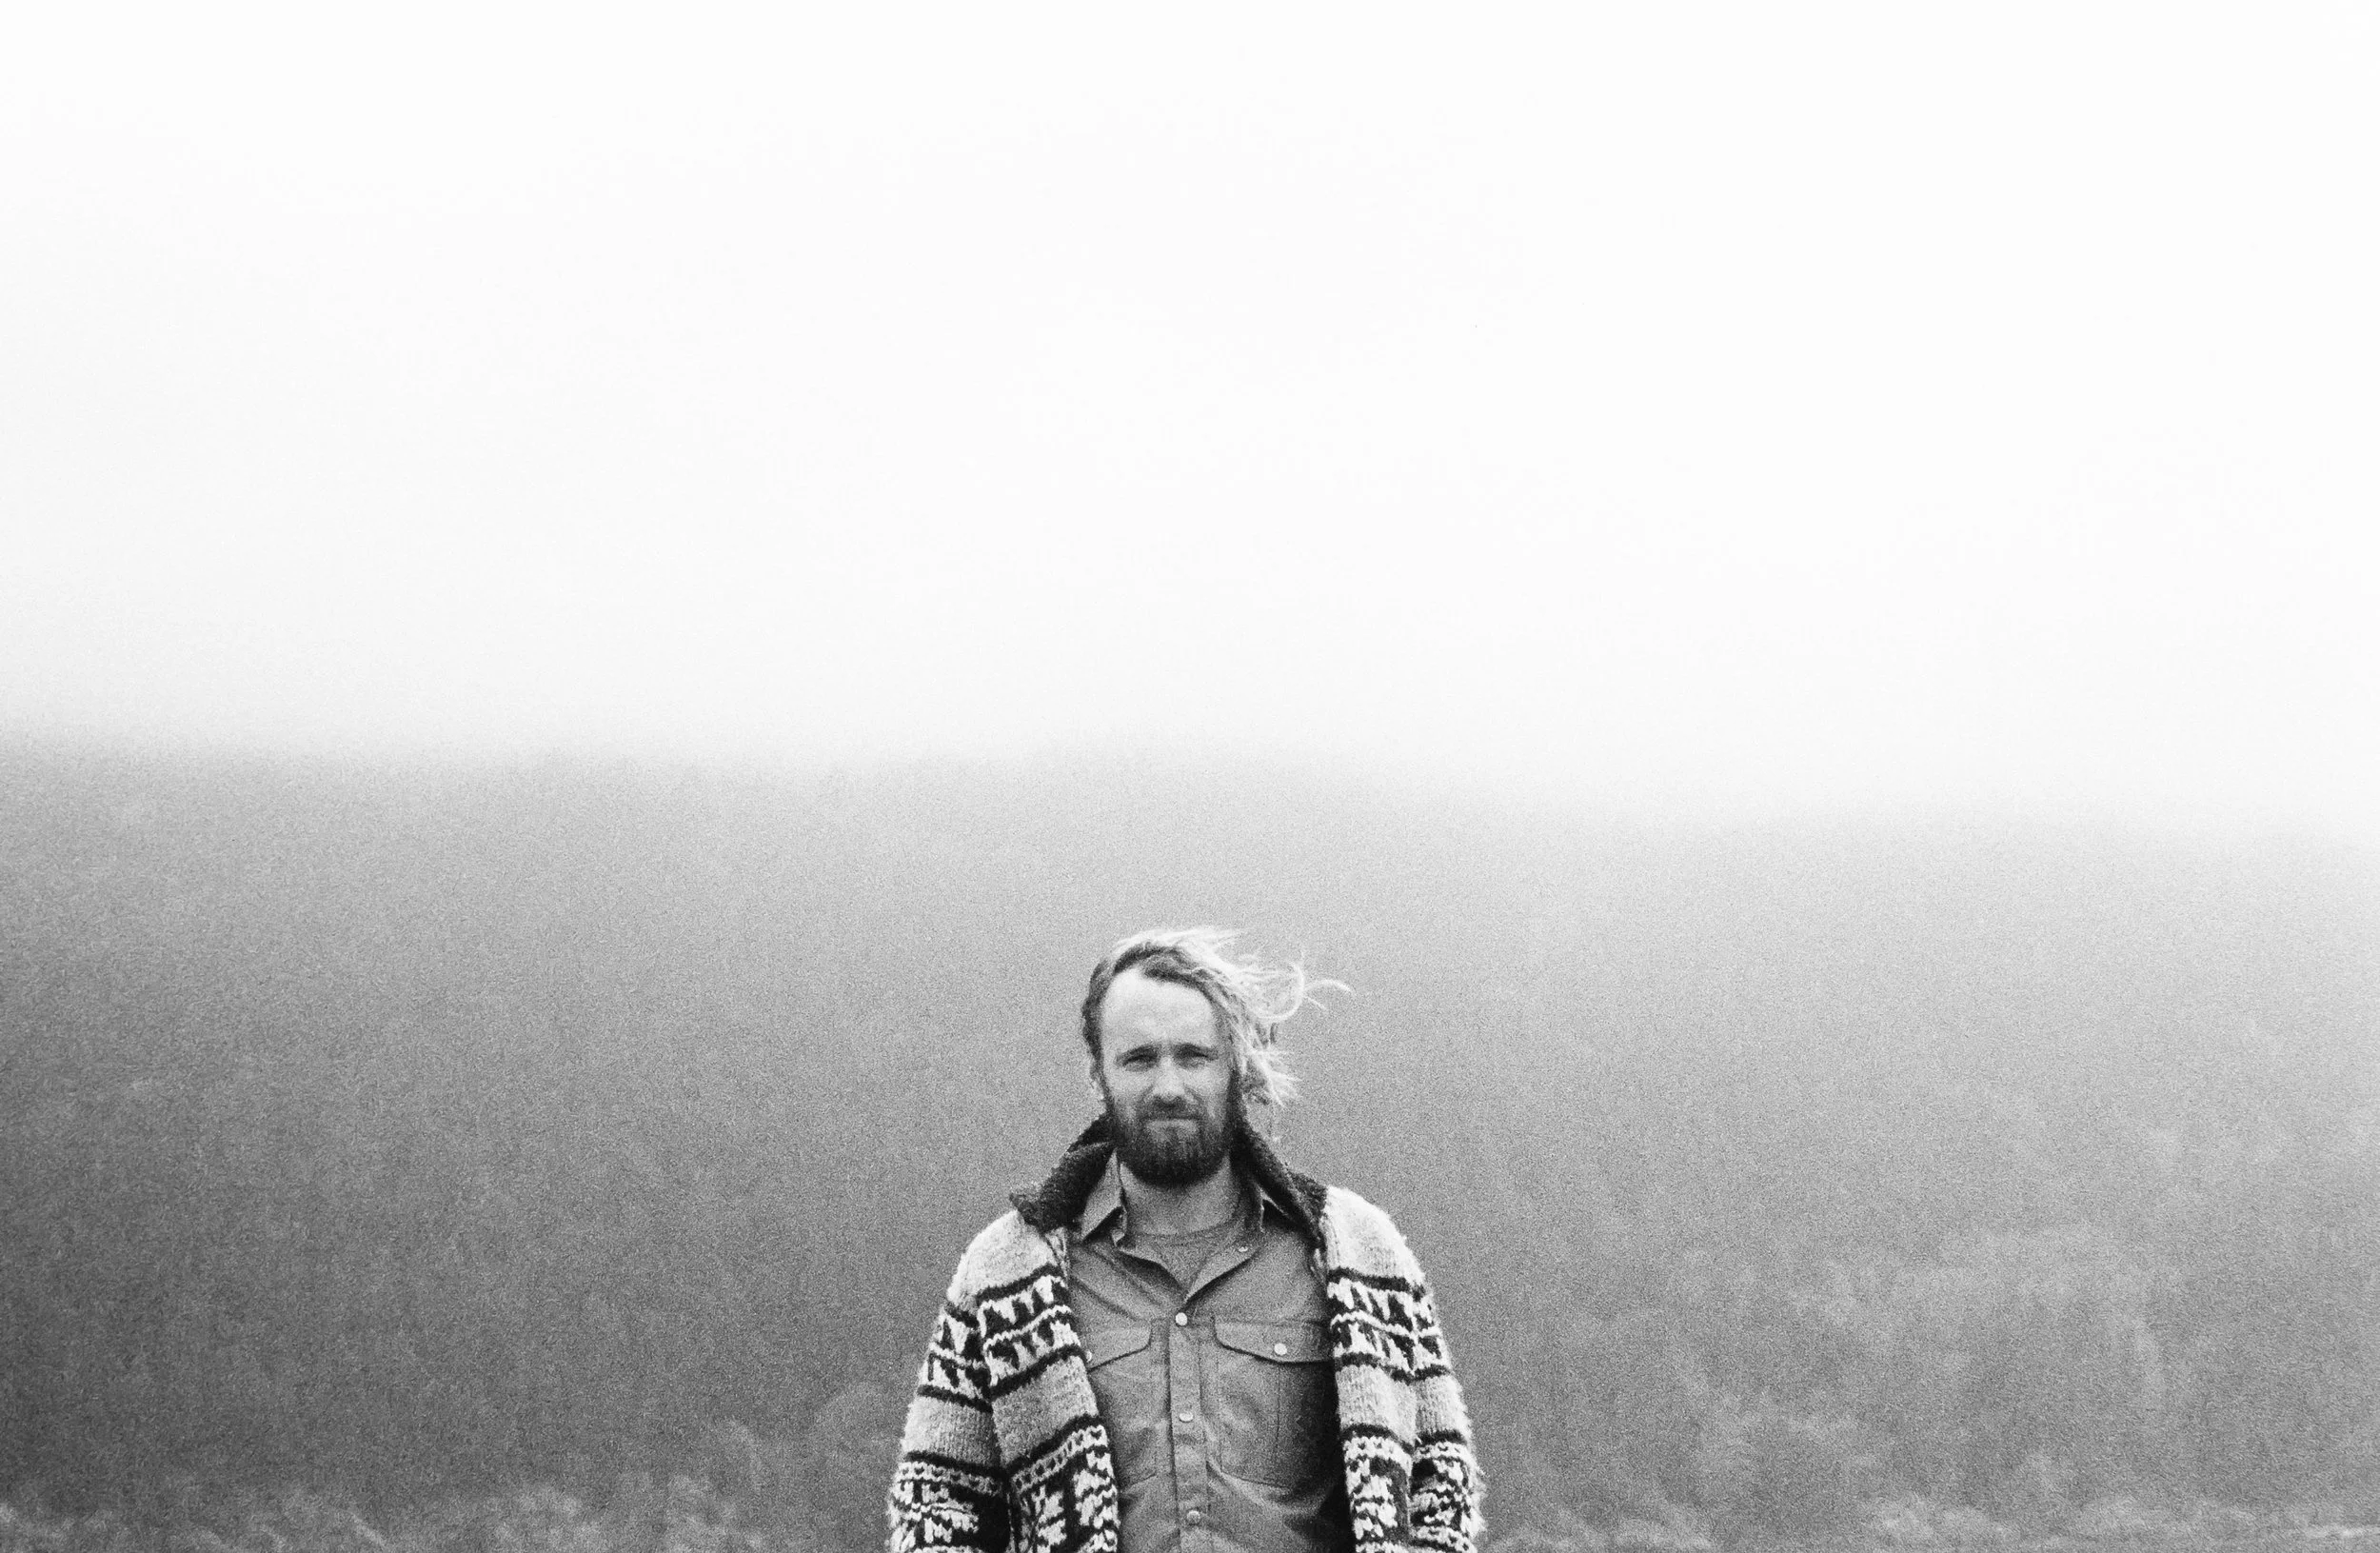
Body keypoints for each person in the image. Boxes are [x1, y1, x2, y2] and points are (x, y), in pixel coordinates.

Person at [886, 927, 1482, 1553]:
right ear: (1098, 1075)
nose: (1168, 1085)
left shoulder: (1358, 1253)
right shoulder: (1007, 1271)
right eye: (1139, 1058)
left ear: (1236, 1066)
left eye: (1193, 1056)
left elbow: (1440, 1492)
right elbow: (936, 1505)